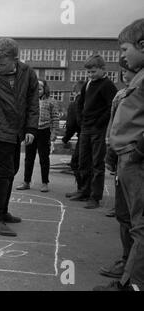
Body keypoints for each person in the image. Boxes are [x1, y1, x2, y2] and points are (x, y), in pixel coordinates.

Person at [94, 18, 144, 291]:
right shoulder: (138, 78)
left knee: (141, 226)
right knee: (132, 222)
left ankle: (133, 284)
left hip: (135, 158)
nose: (122, 56)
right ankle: (129, 276)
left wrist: (138, 150)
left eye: (125, 49)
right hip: (125, 156)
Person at [0, 38, 39, 237]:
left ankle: (2, 212)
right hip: (0, 132)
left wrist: (31, 128)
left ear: (15, 59)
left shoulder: (27, 73)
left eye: (3, 64)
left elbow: (32, 101)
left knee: (12, 171)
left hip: (18, 132)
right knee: (3, 174)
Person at [97, 57, 138, 280]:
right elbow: (114, 126)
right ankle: (126, 260)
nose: (126, 74)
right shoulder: (121, 95)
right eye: (123, 71)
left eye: (130, 70)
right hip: (121, 155)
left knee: (135, 218)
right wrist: (110, 152)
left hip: (134, 158)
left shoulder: (138, 92)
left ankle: (132, 272)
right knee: (123, 214)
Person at [71, 54, 117, 209]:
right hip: (85, 127)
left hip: (98, 129)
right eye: (88, 72)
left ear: (103, 69)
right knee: (83, 161)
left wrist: (99, 123)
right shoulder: (88, 83)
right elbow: (80, 102)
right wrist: (80, 119)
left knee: (97, 163)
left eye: (93, 71)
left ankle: (95, 197)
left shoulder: (107, 85)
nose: (90, 75)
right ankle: (84, 191)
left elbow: (111, 106)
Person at [16, 79, 59, 192]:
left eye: (40, 88)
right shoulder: (29, 101)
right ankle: (26, 181)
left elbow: (55, 118)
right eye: (35, 89)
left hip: (44, 132)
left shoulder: (51, 101)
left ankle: (45, 183)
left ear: (45, 89)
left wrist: (54, 132)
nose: (37, 91)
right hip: (31, 131)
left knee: (44, 158)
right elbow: (24, 117)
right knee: (29, 158)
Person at [63, 80, 84, 198]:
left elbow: (71, 124)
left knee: (76, 163)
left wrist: (65, 139)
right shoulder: (90, 101)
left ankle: (82, 190)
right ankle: (88, 190)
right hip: (95, 135)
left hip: (84, 136)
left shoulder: (75, 104)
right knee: (89, 164)